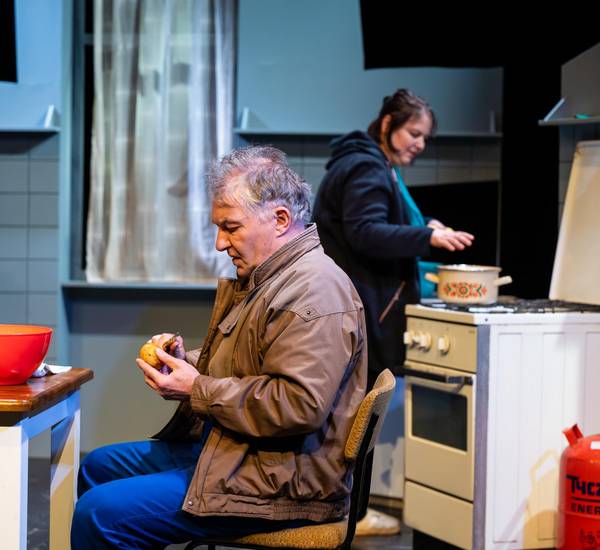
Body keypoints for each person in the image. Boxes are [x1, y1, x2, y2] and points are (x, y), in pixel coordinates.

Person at [71, 146, 368, 549]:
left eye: (230, 227)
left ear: (280, 219)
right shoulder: (273, 278)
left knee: (100, 513)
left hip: (286, 481)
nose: (219, 243)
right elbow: (250, 365)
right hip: (251, 455)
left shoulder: (314, 292)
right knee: (97, 466)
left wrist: (196, 389)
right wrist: (184, 362)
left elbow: (297, 404)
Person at [312, 89, 474, 535]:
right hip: (364, 307)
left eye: (425, 137)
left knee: (349, 413)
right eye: (413, 133)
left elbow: (376, 224)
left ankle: (348, 512)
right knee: (351, 417)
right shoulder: (366, 165)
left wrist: (426, 229)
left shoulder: (364, 162)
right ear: (387, 125)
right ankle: (348, 516)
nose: (419, 144)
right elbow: (365, 232)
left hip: (359, 306)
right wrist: (429, 239)